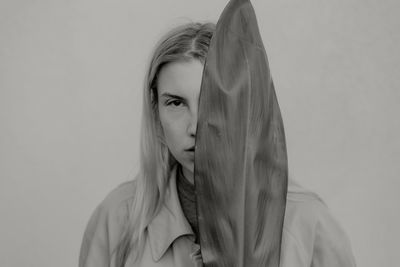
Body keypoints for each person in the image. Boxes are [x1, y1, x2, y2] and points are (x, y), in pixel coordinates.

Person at [79, 22, 356, 267]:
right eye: (175, 103)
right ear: (156, 111)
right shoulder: (115, 220)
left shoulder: (307, 224)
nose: (195, 127)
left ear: (243, 106)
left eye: (213, 102)